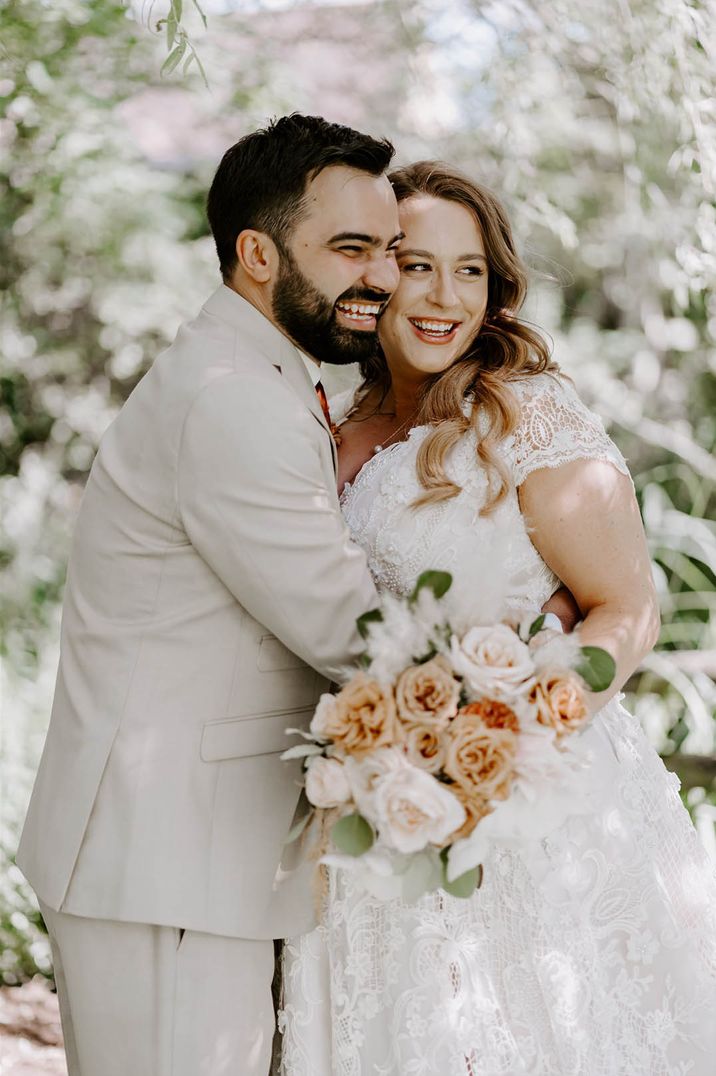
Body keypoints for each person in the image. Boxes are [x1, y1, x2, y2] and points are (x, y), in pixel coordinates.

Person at [280, 161, 716, 1075]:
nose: (445, 297)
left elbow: (626, 610)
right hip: (374, 811)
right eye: (415, 264)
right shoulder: (333, 428)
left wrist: (506, 736)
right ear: (371, 277)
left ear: (496, 282)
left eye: (469, 269)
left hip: (532, 807)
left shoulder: (526, 415)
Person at [15, 113, 405, 1076]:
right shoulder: (233, 395)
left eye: (391, 249)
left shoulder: (262, 375)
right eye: (351, 249)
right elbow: (352, 630)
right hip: (166, 862)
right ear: (258, 253)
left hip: (193, 853)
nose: (385, 279)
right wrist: (536, 646)